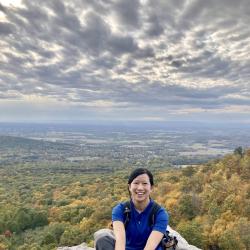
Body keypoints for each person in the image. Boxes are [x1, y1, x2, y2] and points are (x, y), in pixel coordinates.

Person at [95, 168, 169, 250]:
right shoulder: (120, 210)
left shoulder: (159, 213)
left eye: (144, 183)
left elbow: (150, 247)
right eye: (136, 183)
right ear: (130, 187)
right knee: (102, 238)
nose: (140, 188)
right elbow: (120, 242)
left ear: (151, 187)